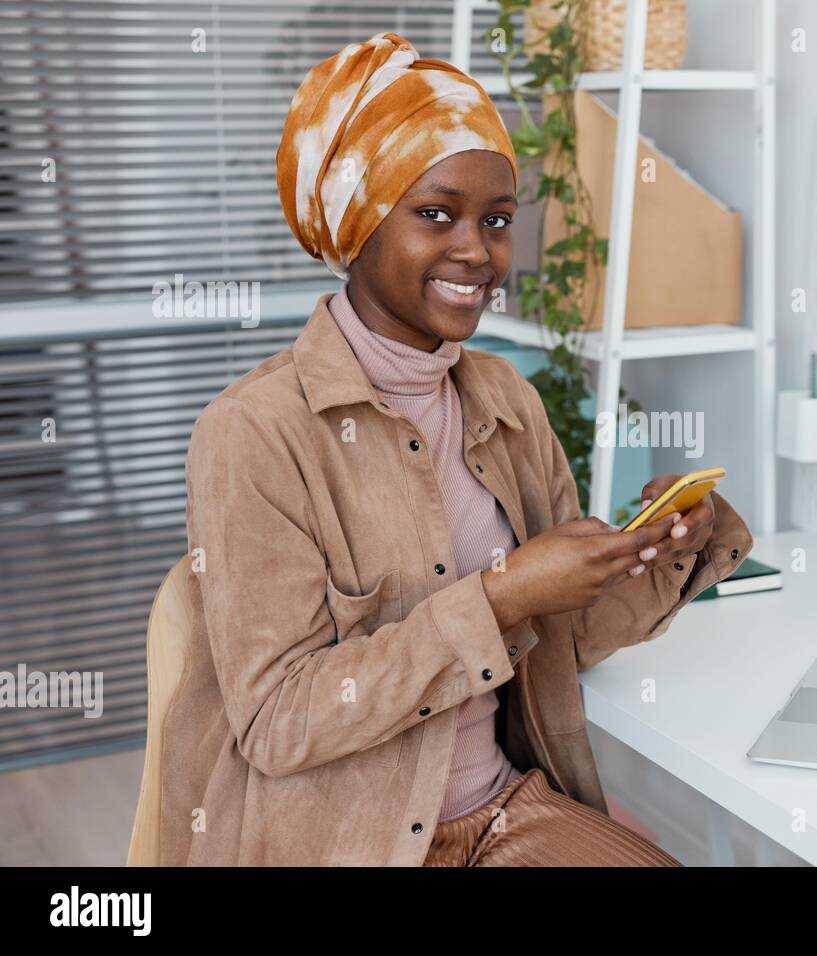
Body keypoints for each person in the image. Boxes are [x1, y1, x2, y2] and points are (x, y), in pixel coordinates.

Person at [159, 32, 753, 866]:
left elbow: (559, 644)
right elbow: (277, 721)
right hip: (342, 843)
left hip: (507, 810)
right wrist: (502, 595)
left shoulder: (507, 401)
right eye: (435, 214)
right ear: (357, 220)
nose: (477, 251)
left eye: (498, 220)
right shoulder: (253, 432)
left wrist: (662, 553)